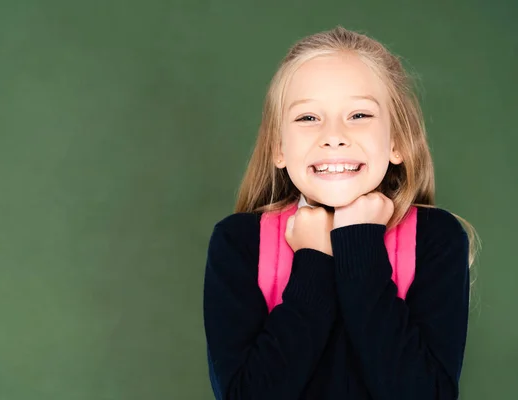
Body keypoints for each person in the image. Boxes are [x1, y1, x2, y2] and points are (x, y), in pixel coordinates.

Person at [202, 26, 478, 400]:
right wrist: (313, 261)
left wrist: (359, 245)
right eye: (308, 118)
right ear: (278, 148)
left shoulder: (435, 237)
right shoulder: (239, 243)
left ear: (397, 142)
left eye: (359, 114)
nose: (334, 135)